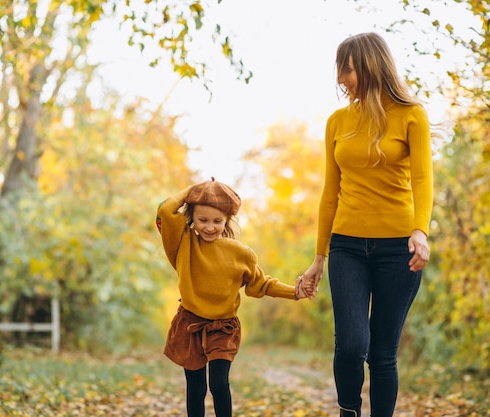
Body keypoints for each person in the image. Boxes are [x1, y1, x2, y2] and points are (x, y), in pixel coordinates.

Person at [300, 32, 434, 417]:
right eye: (340, 71)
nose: (342, 79)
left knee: (382, 353)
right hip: (347, 246)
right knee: (351, 344)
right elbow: (330, 191)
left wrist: (420, 231)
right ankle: (349, 410)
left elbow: (423, 180)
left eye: (347, 69)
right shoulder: (337, 122)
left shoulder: (412, 115)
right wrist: (318, 256)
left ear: (370, 65)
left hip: (398, 248)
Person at [156, 177, 310, 417]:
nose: (209, 227)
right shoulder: (182, 244)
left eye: (217, 221)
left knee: (219, 384)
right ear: (192, 217)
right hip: (190, 324)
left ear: (228, 219)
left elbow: (261, 284)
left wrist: (295, 292)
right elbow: (166, 210)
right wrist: (196, 191)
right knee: (196, 388)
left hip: (223, 328)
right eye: (202, 220)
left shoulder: (241, 254)